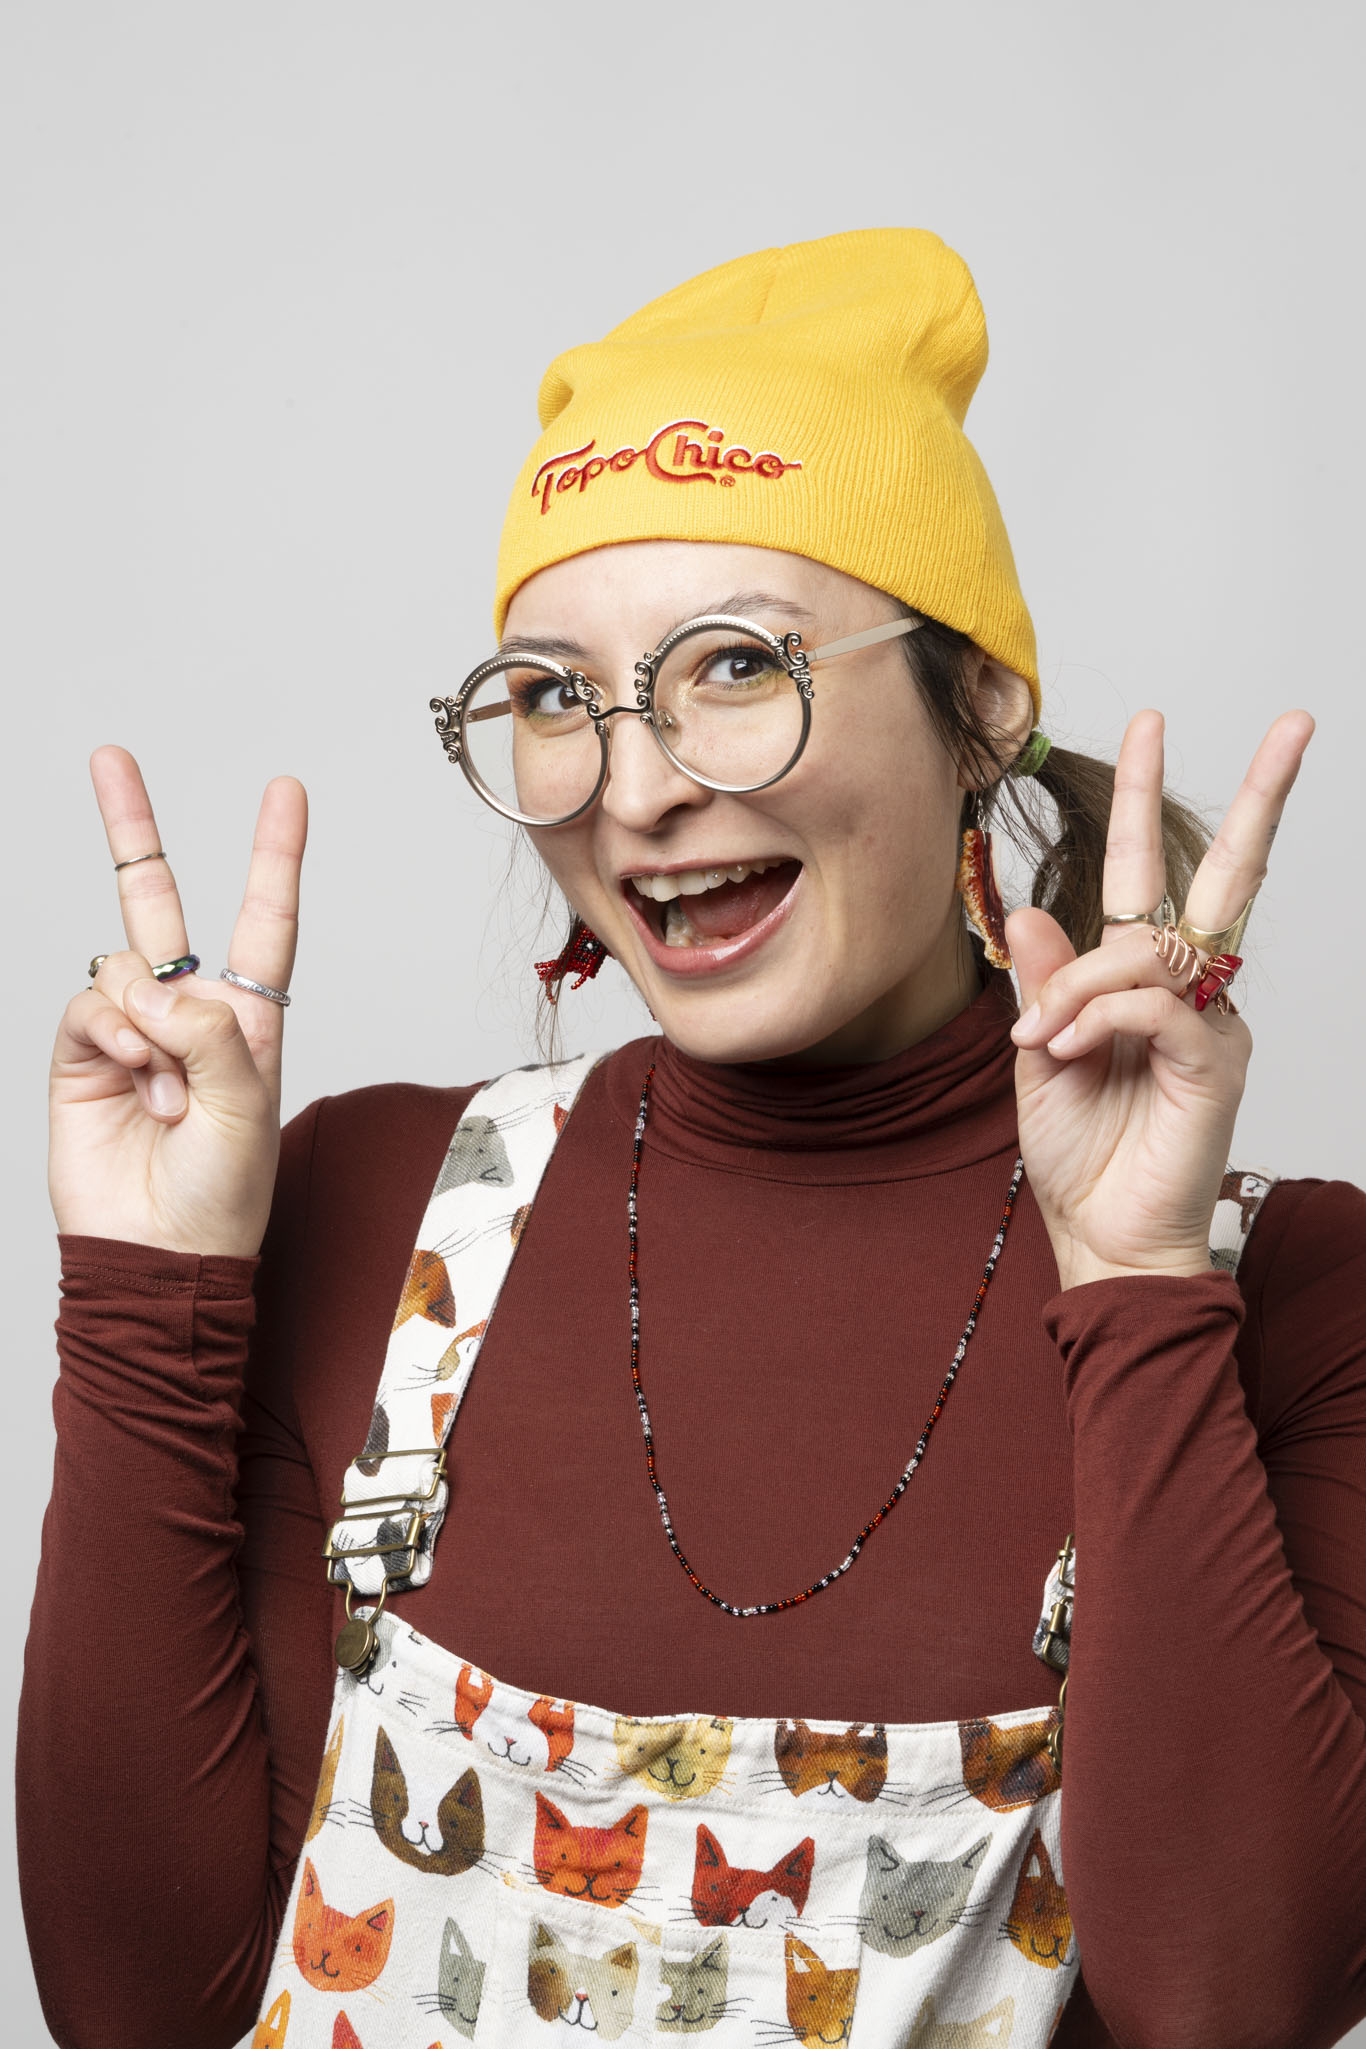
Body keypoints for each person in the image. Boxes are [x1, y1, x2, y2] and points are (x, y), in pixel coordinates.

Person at [19, 229, 1366, 2049]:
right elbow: (136, 2013)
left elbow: (1237, 2011)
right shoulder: (370, 1203)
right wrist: (146, 1304)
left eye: (735, 666)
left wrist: (1132, 1283)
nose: (637, 787)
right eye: (558, 695)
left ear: (979, 704)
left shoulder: (1291, 1295)